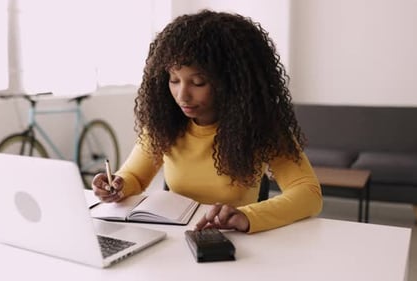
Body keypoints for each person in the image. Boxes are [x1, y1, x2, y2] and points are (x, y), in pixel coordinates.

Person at [92, 9, 322, 233]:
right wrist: (117, 186)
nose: (182, 95)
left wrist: (248, 216)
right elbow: (135, 177)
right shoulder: (163, 125)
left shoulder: (260, 127)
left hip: (235, 243)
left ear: (232, 83)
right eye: (174, 80)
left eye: (198, 82)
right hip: (174, 239)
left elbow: (308, 192)